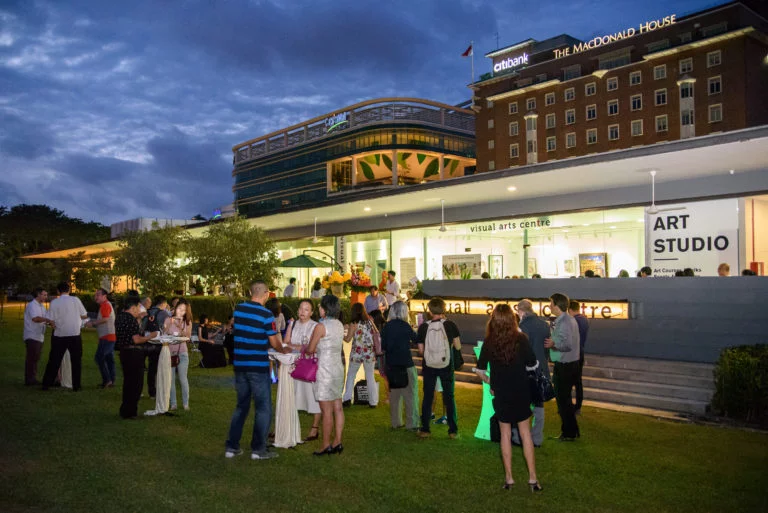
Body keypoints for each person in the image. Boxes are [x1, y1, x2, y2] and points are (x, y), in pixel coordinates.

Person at [476, 304, 541, 491]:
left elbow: (480, 370)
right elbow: (533, 364)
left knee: (505, 433)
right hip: (521, 391)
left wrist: (491, 381)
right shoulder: (521, 338)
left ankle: (509, 478)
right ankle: (533, 479)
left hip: (501, 392)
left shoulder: (490, 341)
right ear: (513, 319)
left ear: (494, 320)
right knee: (525, 433)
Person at [225, 281, 290, 460]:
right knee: (263, 408)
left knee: (241, 406)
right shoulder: (266, 315)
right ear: (266, 294)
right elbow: (274, 342)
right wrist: (283, 349)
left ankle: (232, 446)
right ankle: (258, 449)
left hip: (240, 365)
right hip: (258, 367)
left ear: (250, 292)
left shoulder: (239, 310)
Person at [305, 294, 346, 455]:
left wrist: (309, 347)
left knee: (326, 410)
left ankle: (325, 444)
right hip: (338, 368)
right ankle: (338, 441)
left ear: (325, 309)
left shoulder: (320, 327)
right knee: (338, 407)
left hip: (324, 369)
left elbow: (310, 349)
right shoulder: (339, 324)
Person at [417, 297, 461, 439]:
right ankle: (453, 431)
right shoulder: (450, 325)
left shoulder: (423, 327)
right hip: (446, 364)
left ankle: (425, 429)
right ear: (443, 309)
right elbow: (458, 346)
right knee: (449, 396)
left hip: (429, 365)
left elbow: (421, 350)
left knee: (428, 396)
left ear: (429, 311)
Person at [282, 299, 322, 440]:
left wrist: (293, 346)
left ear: (311, 312)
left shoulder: (315, 326)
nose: (302, 312)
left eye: (306, 309)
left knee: (313, 397)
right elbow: (285, 342)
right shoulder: (295, 324)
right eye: (300, 308)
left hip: (308, 366)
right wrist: (290, 325)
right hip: (294, 366)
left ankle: (315, 428)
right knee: (291, 395)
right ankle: (286, 426)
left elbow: (311, 347)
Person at [544, 293, 581, 441]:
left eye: (551, 303)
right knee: (565, 400)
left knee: (563, 400)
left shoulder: (565, 321)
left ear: (557, 305)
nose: (549, 306)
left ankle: (569, 433)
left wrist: (553, 344)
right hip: (568, 365)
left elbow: (567, 345)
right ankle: (571, 430)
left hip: (565, 366)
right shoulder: (567, 319)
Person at [116, 296, 159, 419]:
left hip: (124, 352)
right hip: (133, 353)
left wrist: (139, 318)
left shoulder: (120, 317)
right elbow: (136, 339)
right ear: (133, 307)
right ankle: (131, 412)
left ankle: (125, 410)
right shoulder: (131, 319)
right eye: (138, 308)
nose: (139, 310)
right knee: (136, 384)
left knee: (128, 382)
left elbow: (131, 332)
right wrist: (150, 336)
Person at [516, 299, 551, 447]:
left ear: (521, 311)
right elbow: (546, 349)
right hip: (541, 368)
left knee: (521, 405)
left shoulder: (521, 327)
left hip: (526, 370)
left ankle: (519, 437)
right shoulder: (544, 325)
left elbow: (520, 351)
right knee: (539, 405)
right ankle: (537, 438)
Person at [42, 282, 88, 392]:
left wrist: (54, 323)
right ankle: (76, 385)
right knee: (76, 361)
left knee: (54, 360)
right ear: (69, 290)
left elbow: (50, 319)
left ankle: (46, 384)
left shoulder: (55, 302)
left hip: (60, 334)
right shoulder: (76, 300)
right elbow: (84, 315)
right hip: (74, 334)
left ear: (58, 291)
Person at [380, 301, 419, 430]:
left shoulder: (386, 326)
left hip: (391, 364)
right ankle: (412, 423)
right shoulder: (405, 326)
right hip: (406, 364)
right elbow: (416, 339)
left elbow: (383, 346)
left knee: (394, 396)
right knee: (410, 395)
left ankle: (396, 422)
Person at [342, 303, 379, 408]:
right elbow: (376, 333)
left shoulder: (354, 323)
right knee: (370, 377)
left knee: (351, 375)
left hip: (357, 353)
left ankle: (347, 399)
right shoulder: (370, 321)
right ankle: (373, 402)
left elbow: (348, 339)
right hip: (369, 353)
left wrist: (341, 335)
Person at [163, 298, 192, 411]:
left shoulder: (187, 322)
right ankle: (173, 403)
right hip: (170, 352)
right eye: (179, 308)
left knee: (183, 378)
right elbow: (163, 334)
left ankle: (185, 404)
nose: (181, 311)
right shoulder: (168, 319)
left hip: (182, 352)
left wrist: (180, 327)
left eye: (184, 310)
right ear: (175, 308)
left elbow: (188, 338)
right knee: (171, 380)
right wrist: (170, 324)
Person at [23, 287, 53, 386]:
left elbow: (46, 318)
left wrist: (51, 323)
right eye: (44, 295)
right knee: (32, 358)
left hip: (39, 336)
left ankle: (32, 378)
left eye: (46, 295)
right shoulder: (32, 305)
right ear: (38, 294)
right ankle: (29, 379)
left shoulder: (42, 306)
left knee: (36, 357)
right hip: (32, 335)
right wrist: (47, 320)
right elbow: (35, 319)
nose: (46, 297)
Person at [87, 288, 116, 388]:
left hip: (107, 337)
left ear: (104, 296)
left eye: (98, 295)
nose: (96, 297)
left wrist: (92, 323)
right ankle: (111, 380)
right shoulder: (106, 305)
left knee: (99, 358)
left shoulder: (105, 305)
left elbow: (105, 319)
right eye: (95, 295)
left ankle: (107, 380)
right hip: (109, 336)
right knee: (109, 359)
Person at [145, 295, 169, 397]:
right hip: (158, 343)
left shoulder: (147, 311)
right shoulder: (163, 313)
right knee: (159, 367)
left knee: (151, 368)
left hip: (147, 341)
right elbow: (167, 328)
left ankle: (151, 391)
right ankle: (158, 390)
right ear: (163, 303)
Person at [568, 300, 589, 415]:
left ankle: (569, 406)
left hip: (573, 354)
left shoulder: (573, 321)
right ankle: (578, 406)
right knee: (578, 382)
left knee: (568, 380)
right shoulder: (584, 319)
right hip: (580, 352)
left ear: (570, 310)